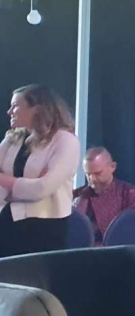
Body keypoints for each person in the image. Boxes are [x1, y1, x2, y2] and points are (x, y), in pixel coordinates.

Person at [0, 85, 80, 258]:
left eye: (15, 106)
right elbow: (36, 188)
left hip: (44, 229)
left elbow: (42, 189)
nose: (9, 111)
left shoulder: (65, 141)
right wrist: (27, 186)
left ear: (37, 109)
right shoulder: (13, 137)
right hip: (8, 220)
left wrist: (6, 181)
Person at [72, 146, 135, 244]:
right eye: (88, 174)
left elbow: (134, 232)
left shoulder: (129, 193)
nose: (92, 179)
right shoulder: (78, 195)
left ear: (112, 167)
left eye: (98, 173)